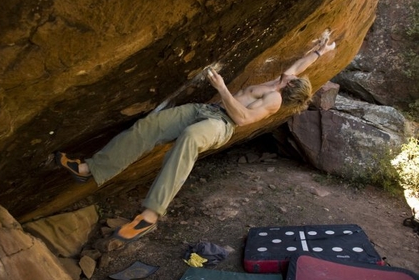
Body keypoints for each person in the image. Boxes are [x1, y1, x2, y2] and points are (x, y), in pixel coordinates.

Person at [56, 38, 336, 248]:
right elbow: (300, 64)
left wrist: (222, 88)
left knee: (190, 138)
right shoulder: (280, 81)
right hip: (206, 110)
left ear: (289, 88)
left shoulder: (274, 100)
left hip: (221, 124)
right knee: (148, 126)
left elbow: (241, 118)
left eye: (292, 78)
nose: (292, 73)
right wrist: (320, 51)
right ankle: (90, 170)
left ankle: (151, 215)